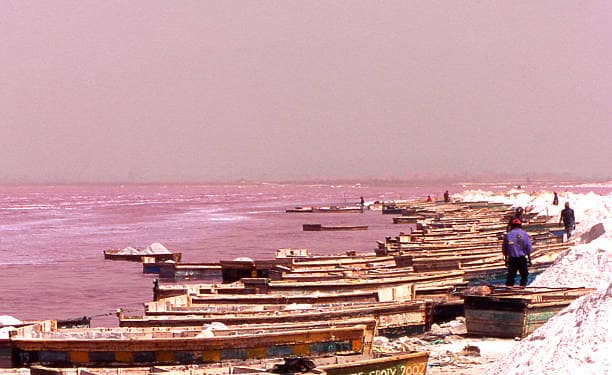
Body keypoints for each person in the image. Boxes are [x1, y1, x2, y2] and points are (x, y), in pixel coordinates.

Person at [503, 218, 533, 287]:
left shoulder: (508, 235)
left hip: (512, 259)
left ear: (512, 226)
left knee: (511, 276)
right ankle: (522, 287)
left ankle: (509, 289)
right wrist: (529, 258)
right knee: (524, 275)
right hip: (521, 258)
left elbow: (504, 249)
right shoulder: (524, 234)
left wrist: (506, 259)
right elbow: (529, 248)